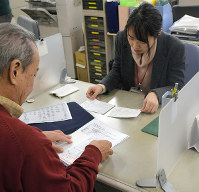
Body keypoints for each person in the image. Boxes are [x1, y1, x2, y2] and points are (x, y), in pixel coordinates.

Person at [0, 23, 113, 192]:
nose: (32, 85)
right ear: (15, 71)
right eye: (34, 74)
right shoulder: (26, 143)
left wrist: (36, 137)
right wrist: (93, 153)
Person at [86, 2, 185, 113]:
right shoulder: (121, 38)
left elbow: (177, 86)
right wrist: (102, 86)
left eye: (142, 41)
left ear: (158, 34)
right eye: (131, 38)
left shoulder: (174, 47)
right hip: (128, 104)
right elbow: (117, 71)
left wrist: (156, 94)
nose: (135, 46)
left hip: (157, 108)